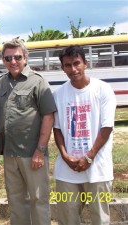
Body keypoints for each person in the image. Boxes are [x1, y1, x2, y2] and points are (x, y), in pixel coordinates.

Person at [0, 38, 56, 225]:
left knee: (39, 200)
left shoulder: (37, 82)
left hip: (32, 154)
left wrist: (40, 150)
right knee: (16, 201)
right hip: (10, 154)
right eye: (8, 58)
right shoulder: (1, 83)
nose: (13, 62)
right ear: (3, 60)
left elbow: (48, 116)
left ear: (25, 58)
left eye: (17, 57)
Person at [53, 45, 116, 225]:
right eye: (67, 65)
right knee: (67, 219)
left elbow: (107, 127)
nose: (73, 69)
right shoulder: (58, 94)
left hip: (98, 170)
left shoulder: (103, 90)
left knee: (100, 219)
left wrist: (89, 156)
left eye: (76, 63)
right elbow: (56, 129)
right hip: (67, 171)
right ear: (62, 68)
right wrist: (65, 156)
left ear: (85, 63)